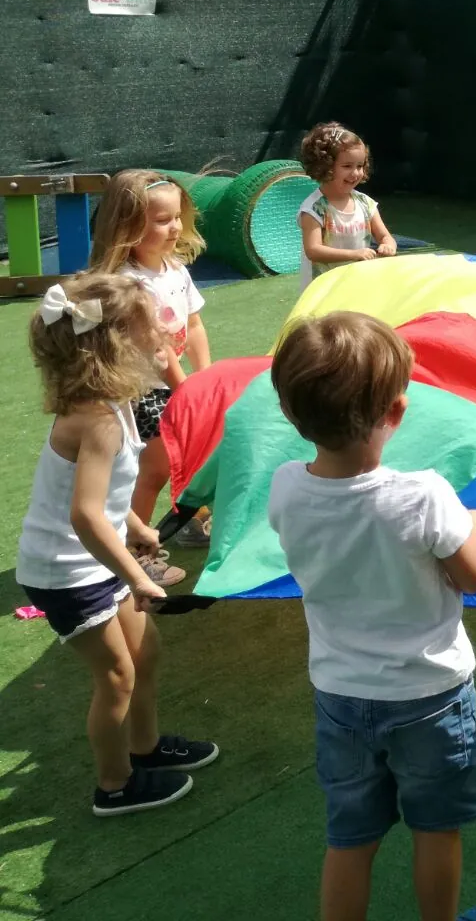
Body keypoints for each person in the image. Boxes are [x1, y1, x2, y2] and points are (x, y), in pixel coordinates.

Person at [267, 312, 476, 921]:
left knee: (351, 836)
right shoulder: (423, 494)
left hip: (340, 693)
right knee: (436, 828)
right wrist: (475, 523)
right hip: (430, 696)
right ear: (395, 413)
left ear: (292, 416)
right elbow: (474, 573)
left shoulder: (286, 487)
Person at [15, 273, 219, 817]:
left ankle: (144, 749)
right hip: (65, 570)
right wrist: (136, 571)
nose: (163, 328)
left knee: (145, 652)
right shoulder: (98, 419)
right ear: (115, 345)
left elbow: (96, 498)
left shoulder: (116, 403)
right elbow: (83, 514)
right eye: (149, 323)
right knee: (117, 676)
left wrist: (133, 522)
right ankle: (114, 785)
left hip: (95, 556)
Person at [90, 169, 213, 573]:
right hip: (142, 388)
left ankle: (192, 521)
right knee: (157, 469)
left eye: (177, 216)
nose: (175, 227)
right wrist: (185, 389)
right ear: (126, 226)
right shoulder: (129, 282)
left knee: (194, 455)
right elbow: (157, 347)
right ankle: (135, 552)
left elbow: (193, 326)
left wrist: (206, 378)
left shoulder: (174, 270)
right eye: (162, 220)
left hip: (172, 385)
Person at [298, 122, 397, 288]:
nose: (356, 173)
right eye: (347, 166)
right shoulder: (314, 209)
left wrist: (388, 246)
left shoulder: (365, 204)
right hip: (323, 288)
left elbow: (385, 236)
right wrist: (354, 254)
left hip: (355, 284)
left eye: (360, 166)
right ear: (325, 166)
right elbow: (313, 250)